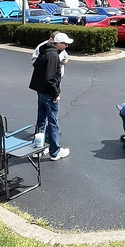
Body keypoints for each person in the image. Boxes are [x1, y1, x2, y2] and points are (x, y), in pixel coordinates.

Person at [28, 31, 73, 160]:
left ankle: (38, 149)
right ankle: (55, 152)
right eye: (65, 44)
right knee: (53, 122)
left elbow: (36, 66)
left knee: (41, 119)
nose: (66, 46)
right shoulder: (53, 55)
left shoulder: (44, 50)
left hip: (41, 90)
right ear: (58, 43)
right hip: (49, 93)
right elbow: (50, 78)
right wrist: (56, 93)